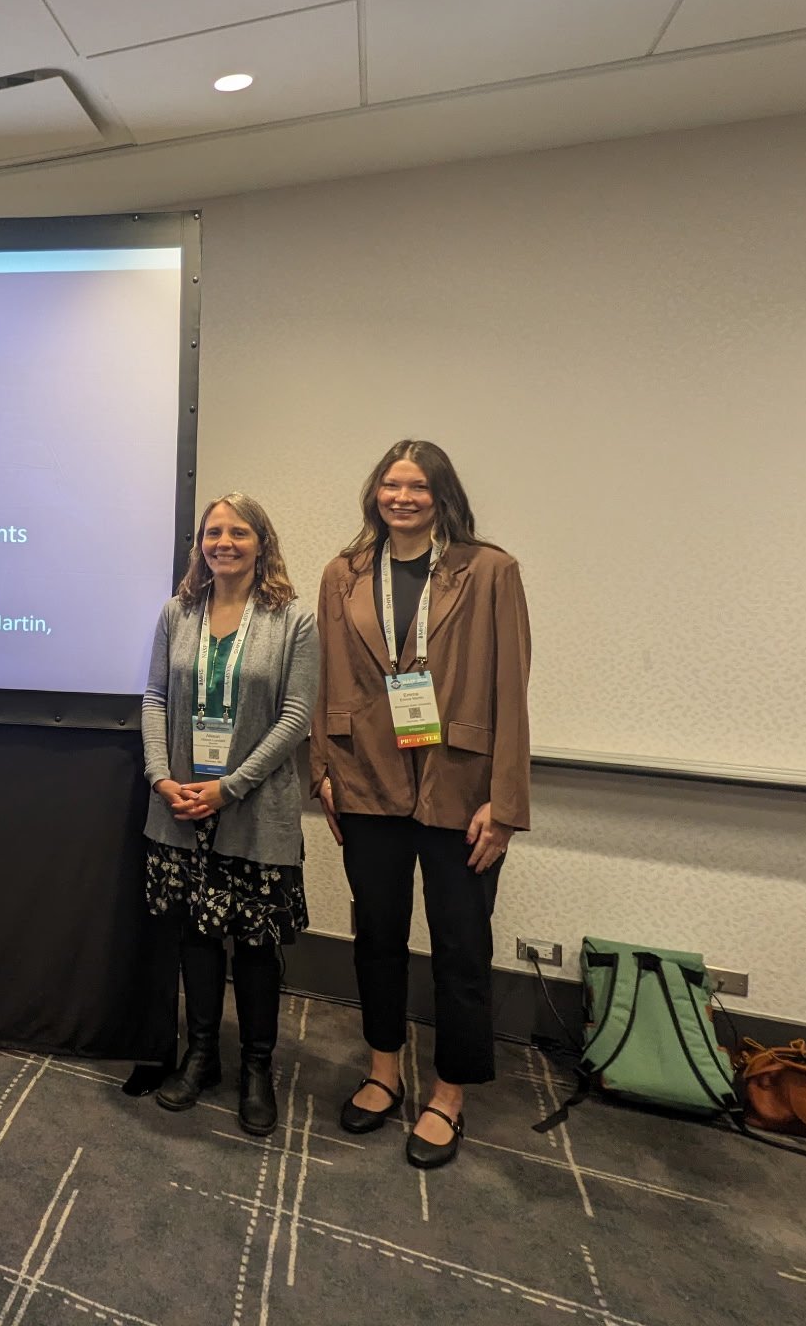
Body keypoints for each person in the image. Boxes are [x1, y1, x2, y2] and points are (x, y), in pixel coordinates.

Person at [310, 439, 531, 1169]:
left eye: (417, 487)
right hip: (366, 778)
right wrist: (322, 771)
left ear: (442, 496)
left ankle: (449, 1094)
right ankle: (382, 1070)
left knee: (462, 946)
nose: (401, 497)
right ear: (375, 493)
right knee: (376, 935)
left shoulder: (489, 570)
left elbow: (512, 689)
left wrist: (504, 803)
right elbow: (326, 679)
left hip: (459, 786)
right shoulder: (343, 574)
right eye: (390, 484)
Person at [133, 493, 317, 1136]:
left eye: (239, 532)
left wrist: (229, 788)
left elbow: (296, 717)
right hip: (182, 805)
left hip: (253, 808)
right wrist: (161, 777)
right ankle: (202, 1054)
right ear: (200, 545)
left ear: (262, 543)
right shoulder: (177, 611)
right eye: (213, 532)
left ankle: (257, 1069)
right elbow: (155, 697)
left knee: (257, 946)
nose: (224, 543)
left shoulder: (293, 619)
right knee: (197, 935)